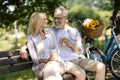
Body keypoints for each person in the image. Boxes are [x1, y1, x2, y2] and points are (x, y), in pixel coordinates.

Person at [20, 6, 105, 80]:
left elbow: (80, 51)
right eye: (55, 18)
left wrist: (70, 44)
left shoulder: (74, 31)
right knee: (79, 73)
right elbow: (35, 38)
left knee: (101, 66)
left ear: (66, 18)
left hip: (79, 59)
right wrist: (23, 48)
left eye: (59, 18)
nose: (56, 21)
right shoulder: (50, 31)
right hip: (64, 61)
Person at [23, 12, 86, 80]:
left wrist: (54, 56)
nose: (47, 21)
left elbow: (56, 48)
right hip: (42, 67)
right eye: (44, 19)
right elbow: (35, 59)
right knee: (51, 69)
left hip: (58, 62)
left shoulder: (49, 32)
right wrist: (46, 60)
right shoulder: (31, 37)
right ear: (38, 22)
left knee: (81, 73)